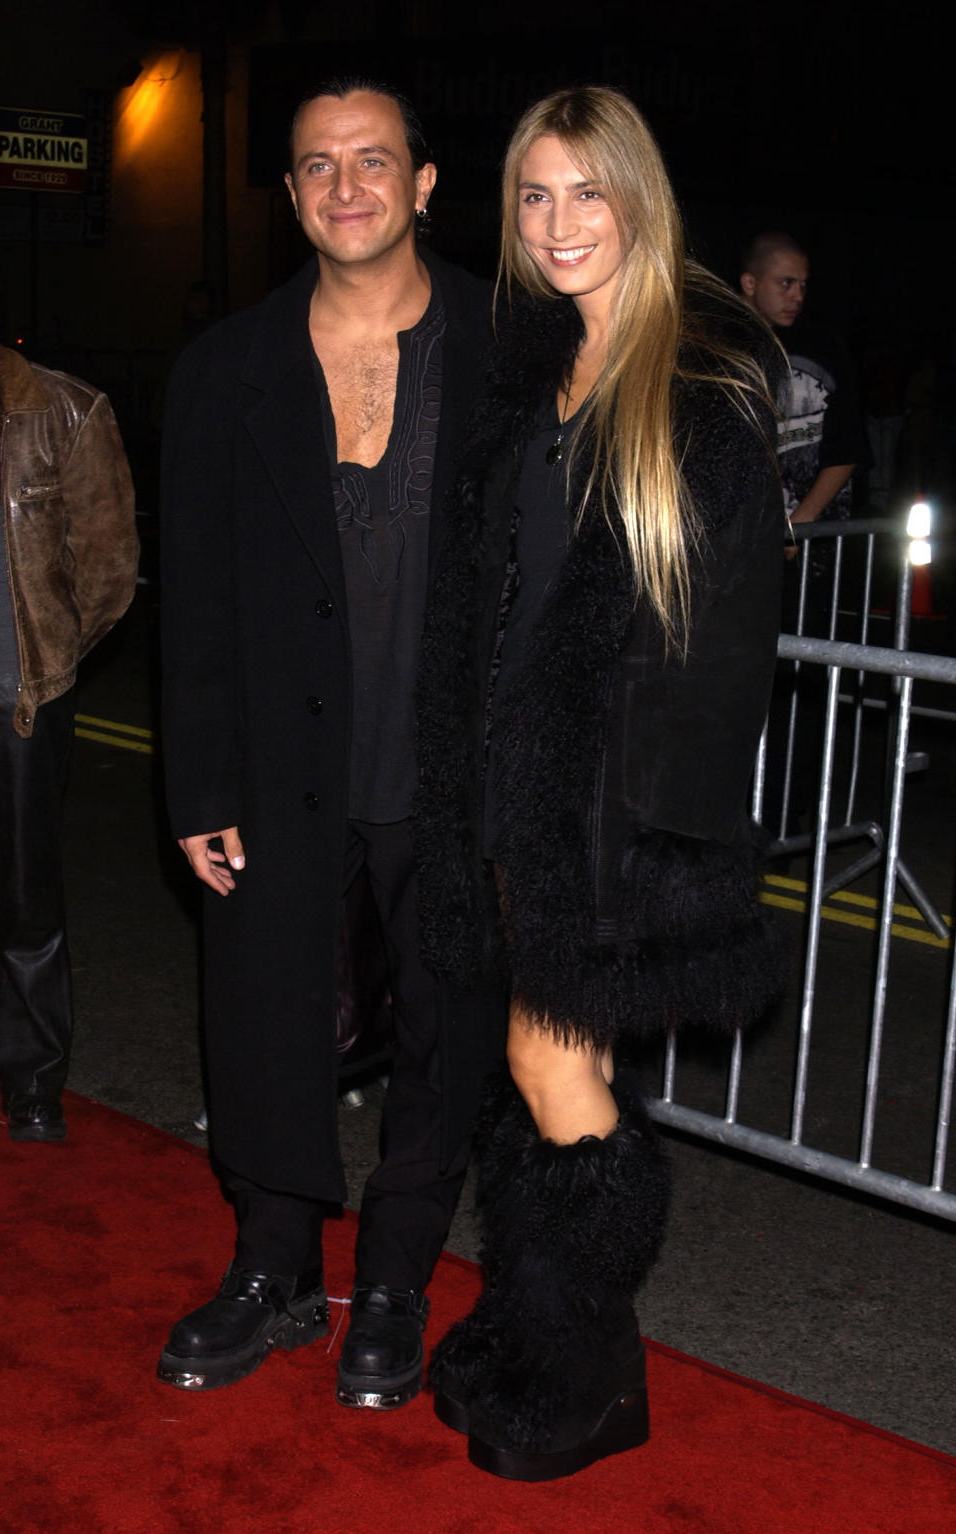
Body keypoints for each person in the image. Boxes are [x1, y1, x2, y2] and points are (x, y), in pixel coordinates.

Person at [413, 86, 785, 1481]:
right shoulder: (538, 372)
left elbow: (721, 659)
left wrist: (653, 837)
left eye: (587, 193)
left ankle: (590, 1371)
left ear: (639, 200)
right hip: (515, 790)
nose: (560, 224)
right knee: (559, 1069)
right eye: (534, 196)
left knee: (543, 1059)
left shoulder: (693, 394)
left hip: (612, 812)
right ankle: (530, 1322)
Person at [157, 79, 501, 1409]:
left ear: (422, 185)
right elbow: (191, 594)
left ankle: (399, 1279)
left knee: (441, 1029)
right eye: (317, 165)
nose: (346, 183)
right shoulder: (223, 369)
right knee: (265, 1020)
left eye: (374, 161)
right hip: (279, 774)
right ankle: (274, 1266)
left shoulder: (511, 346)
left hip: (453, 775)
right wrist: (199, 780)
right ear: (293, 195)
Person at [0, 342, 137, 1141]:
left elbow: (110, 569)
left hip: (18, 698)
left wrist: (43, 661)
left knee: (25, 902)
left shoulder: (63, 410)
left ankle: (34, 1084)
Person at [740, 231, 867, 606]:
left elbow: (848, 446)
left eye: (802, 285)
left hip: (819, 546)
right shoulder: (723, 347)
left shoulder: (825, 347)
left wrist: (801, 522)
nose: (797, 295)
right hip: (744, 548)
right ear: (750, 283)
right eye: (785, 283)